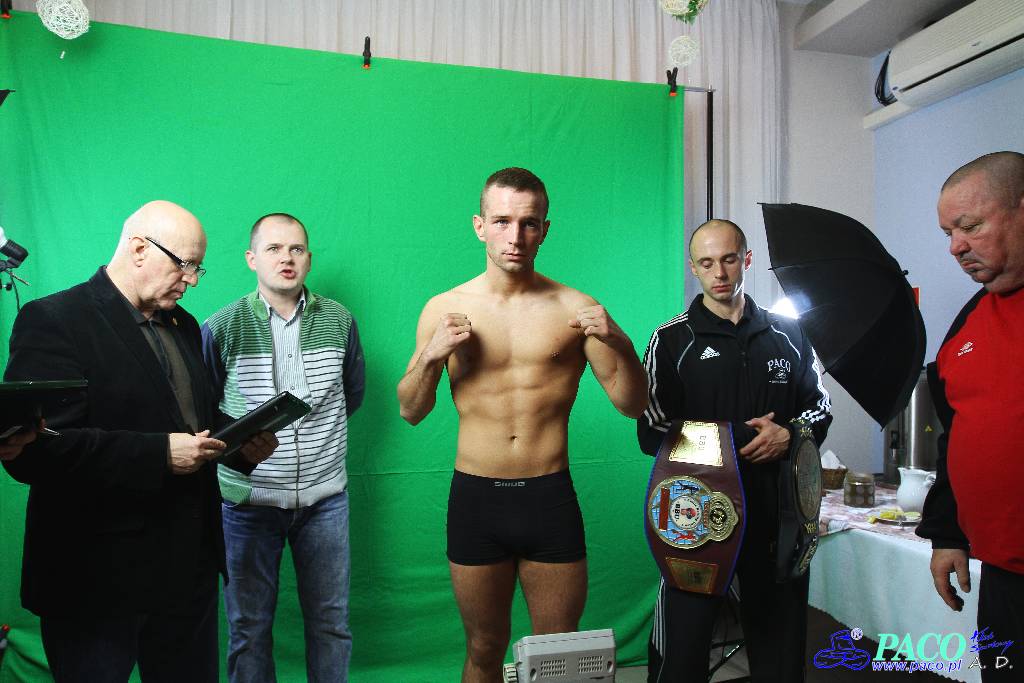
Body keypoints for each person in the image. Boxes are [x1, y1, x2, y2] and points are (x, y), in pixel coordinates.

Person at [2, 200, 277, 683]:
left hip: (187, 575)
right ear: (138, 249)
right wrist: (159, 454)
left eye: (197, 268)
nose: (192, 280)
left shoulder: (184, 325)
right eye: (185, 264)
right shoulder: (54, 319)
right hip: (94, 580)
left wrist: (238, 441)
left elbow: (189, 415)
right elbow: (37, 451)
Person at [397, 167, 648, 682]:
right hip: (477, 499)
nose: (515, 236)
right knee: (484, 647)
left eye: (529, 223)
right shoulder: (444, 309)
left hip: (548, 498)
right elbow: (411, 410)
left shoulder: (576, 308)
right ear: (479, 226)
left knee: (559, 655)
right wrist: (431, 355)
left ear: (544, 230)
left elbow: (632, 404)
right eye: (502, 221)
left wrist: (621, 341)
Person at [637, 219, 832, 683]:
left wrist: (789, 434)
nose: (719, 273)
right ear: (694, 268)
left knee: (780, 656)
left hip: (777, 514)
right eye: (706, 263)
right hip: (696, 517)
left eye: (728, 259)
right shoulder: (672, 339)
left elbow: (819, 408)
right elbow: (651, 429)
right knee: (682, 656)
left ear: (746, 259)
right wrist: (735, 439)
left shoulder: (789, 333)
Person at [202, 213, 365, 683]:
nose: (286, 258)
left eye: (296, 249)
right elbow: (204, 410)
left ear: (308, 259)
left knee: (331, 624)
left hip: (325, 500)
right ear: (252, 259)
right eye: (273, 249)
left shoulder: (340, 321)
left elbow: (352, 394)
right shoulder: (222, 326)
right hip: (247, 504)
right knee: (248, 629)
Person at [918, 151, 1024, 680]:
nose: (956, 247)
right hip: (1003, 579)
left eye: (970, 226)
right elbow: (955, 435)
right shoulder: (970, 319)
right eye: (948, 233)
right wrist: (947, 533)